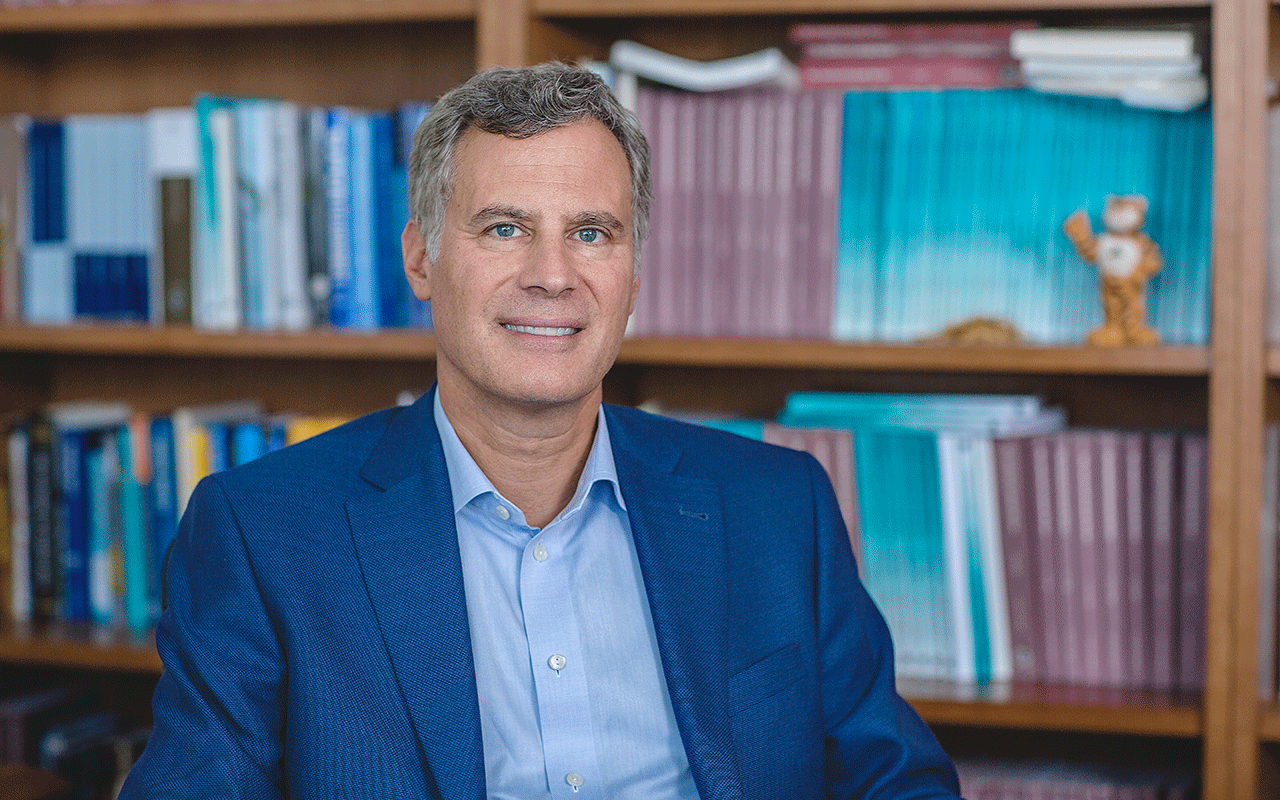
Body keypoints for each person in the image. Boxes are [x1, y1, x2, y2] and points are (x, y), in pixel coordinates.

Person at [120, 62, 961, 799]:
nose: (552, 276)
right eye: (505, 228)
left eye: (591, 233)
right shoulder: (263, 533)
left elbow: (897, 781)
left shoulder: (779, 507)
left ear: (632, 277)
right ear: (421, 258)